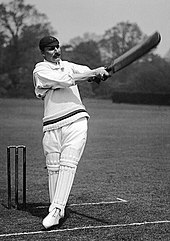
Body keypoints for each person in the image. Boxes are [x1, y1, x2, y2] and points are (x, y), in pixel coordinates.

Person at [33, 36, 109, 229]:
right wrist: (90, 74)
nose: (56, 51)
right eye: (51, 48)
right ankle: (57, 209)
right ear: (43, 52)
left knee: (67, 164)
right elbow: (64, 80)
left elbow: (85, 72)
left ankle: (56, 210)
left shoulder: (69, 65)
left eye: (58, 47)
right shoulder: (40, 70)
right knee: (53, 168)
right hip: (51, 124)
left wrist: (99, 73)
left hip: (76, 119)